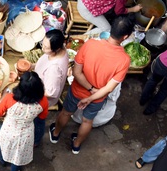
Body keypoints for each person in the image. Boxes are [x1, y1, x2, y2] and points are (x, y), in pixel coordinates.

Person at [50, 15, 134, 154]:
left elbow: (77, 73)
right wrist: (90, 97)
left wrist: (89, 89)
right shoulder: (124, 60)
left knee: (66, 112)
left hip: (77, 90)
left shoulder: (90, 44)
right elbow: (109, 88)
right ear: (125, 37)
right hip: (97, 98)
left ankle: (55, 134)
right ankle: (76, 145)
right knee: (87, 122)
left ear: (111, 29)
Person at [0, 72, 45, 171]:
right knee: (18, 154)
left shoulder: (9, 98)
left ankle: (2, 160)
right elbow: (42, 117)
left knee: (4, 146)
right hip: (26, 134)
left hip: (8, 130)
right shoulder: (43, 102)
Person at [34, 29, 69, 108]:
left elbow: (50, 93)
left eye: (46, 47)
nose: (43, 48)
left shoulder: (54, 69)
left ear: (56, 49)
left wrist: (31, 92)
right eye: (42, 44)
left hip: (41, 100)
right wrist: (33, 66)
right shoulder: (62, 48)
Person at [77, 0, 142, 32]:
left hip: (82, 1)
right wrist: (133, 9)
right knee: (107, 29)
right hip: (86, 9)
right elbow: (118, 11)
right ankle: (85, 39)